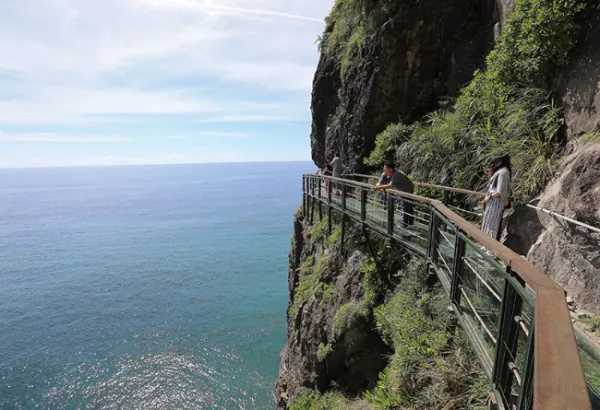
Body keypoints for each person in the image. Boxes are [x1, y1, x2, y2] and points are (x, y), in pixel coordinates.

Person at [372, 162, 415, 227]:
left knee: (406, 205)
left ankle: (405, 224)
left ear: (390, 169)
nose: (384, 169)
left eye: (385, 168)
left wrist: (378, 188)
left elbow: (390, 185)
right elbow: (379, 182)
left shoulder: (396, 174)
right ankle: (410, 222)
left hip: (407, 189)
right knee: (407, 205)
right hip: (401, 190)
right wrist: (377, 186)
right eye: (384, 167)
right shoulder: (385, 174)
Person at [481, 154, 511, 241]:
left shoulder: (502, 173)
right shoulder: (502, 171)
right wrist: (492, 174)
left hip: (496, 202)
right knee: (488, 223)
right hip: (494, 201)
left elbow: (500, 191)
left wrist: (488, 197)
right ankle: (486, 246)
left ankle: (490, 249)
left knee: (491, 224)